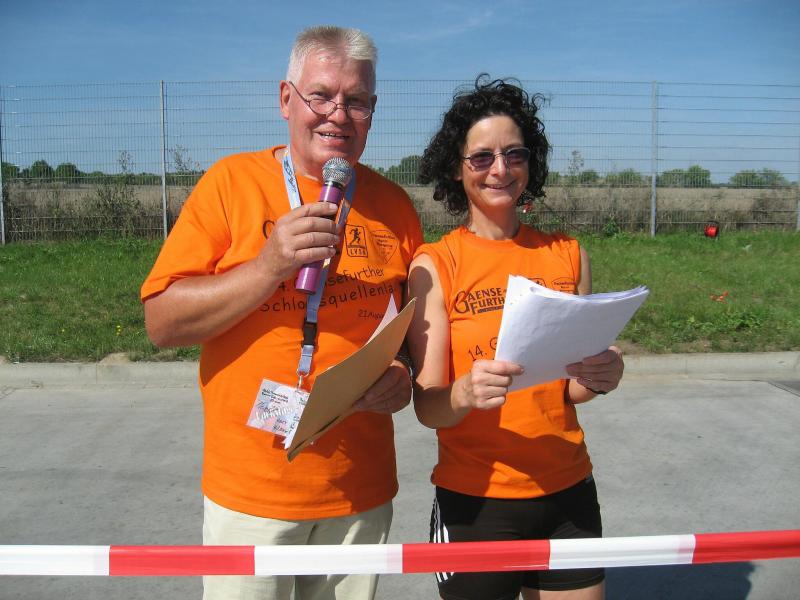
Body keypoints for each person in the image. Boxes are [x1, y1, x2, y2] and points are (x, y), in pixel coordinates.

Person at [141, 26, 423, 600]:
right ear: (285, 99)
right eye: (321, 95)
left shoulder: (394, 207)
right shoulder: (230, 185)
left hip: (358, 493)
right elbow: (162, 323)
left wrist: (403, 375)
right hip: (252, 495)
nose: (338, 115)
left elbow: (411, 336)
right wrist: (268, 265)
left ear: (373, 111)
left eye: (357, 101)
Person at [406, 76, 624, 600]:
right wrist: (463, 393)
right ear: (456, 168)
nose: (500, 169)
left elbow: (569, 390)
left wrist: (602, 375)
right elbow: (428, 407)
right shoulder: (435, 264)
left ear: (531, 161)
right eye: (481, 157)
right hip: (477, 501)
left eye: (514, 154)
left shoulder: (568, 254)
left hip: (567, 492)